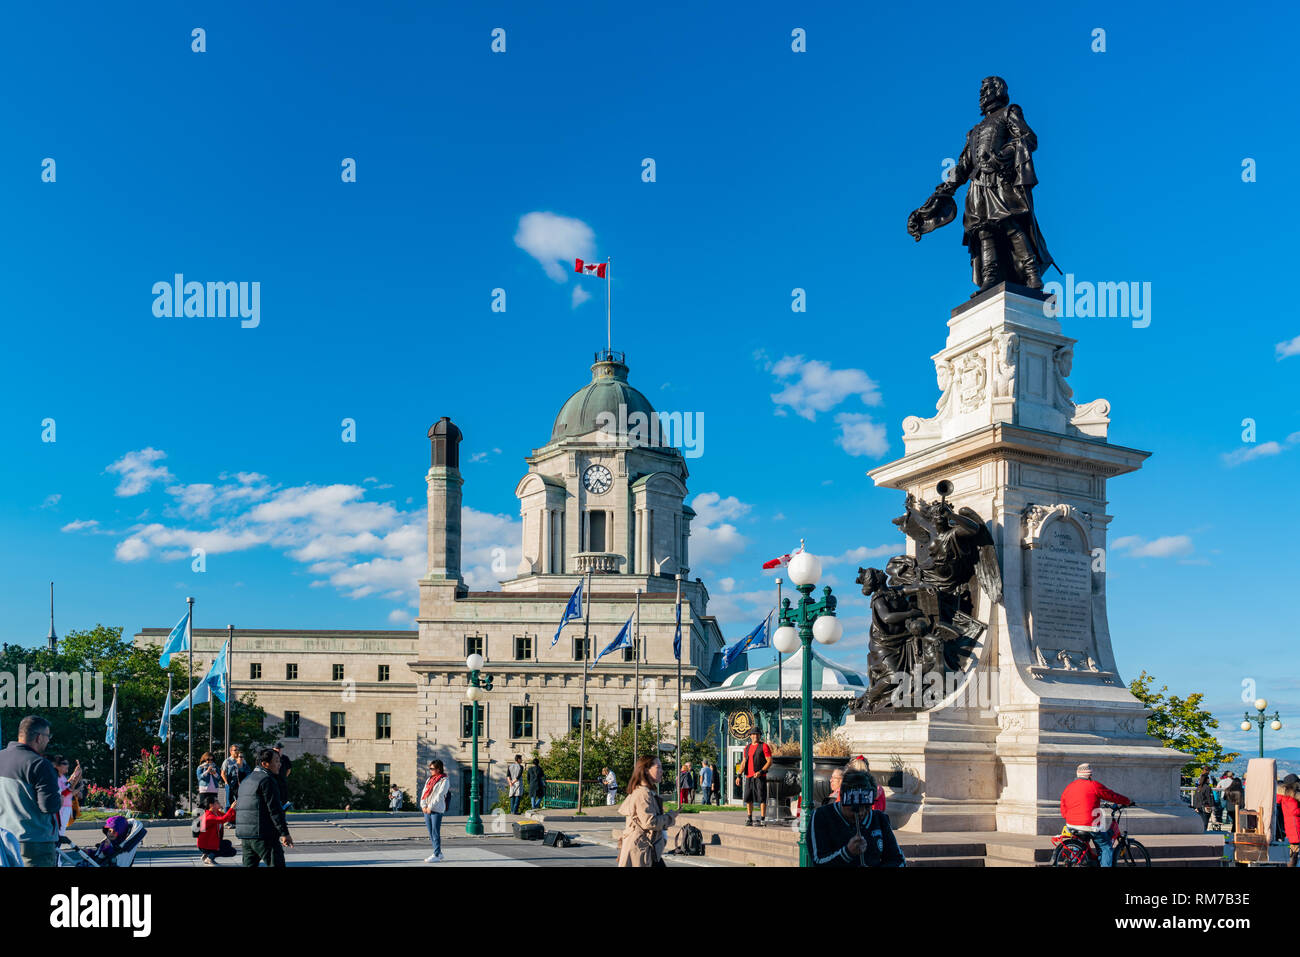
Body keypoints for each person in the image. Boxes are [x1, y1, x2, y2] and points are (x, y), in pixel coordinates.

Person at [0, 716, 68, 866]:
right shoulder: (39, 764)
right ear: (39, 737)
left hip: (4, 838)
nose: (48, 740)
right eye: (47, 736)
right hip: (34, 843)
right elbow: (49, 806)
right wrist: (60, 800)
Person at [809, 771, 905, 867]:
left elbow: (898, 860)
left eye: (867, 807)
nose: (861, 813)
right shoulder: (821, 816)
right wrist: (847, 852)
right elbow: (818, 861)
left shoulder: (879, 819)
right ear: (842, 797)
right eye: (854, 808)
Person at [1059, 763, 1132, 867]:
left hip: (1071, 824)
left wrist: (1070, 817)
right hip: (1089, 824)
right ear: (1090, 775)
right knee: (1106, 846)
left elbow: (1063, 806)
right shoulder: (1094, 785)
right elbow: (1112, 795)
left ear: (1078, 774)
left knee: (1081, 840)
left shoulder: (1069, 787)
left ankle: (1074, 858)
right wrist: (1127, 801)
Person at [235, 748, 294, 867]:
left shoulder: (247, 780)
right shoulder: (267, 780)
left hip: (246, 836)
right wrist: (284, 833)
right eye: (276, 761)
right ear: (265, 764)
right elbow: (274, 809)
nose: (280, 764)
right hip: (264, 834)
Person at [617, 756, 677, 867]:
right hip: (641, 850)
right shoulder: (643, 793)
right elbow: (650, 822)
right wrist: (670, 816)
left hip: (646, 848)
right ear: (646, 770)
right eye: (658, 767)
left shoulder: (645, 791)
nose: (661, 771)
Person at [419, 760, 450, 863]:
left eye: (432, 769)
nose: (430, 770)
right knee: (431, 833)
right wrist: (423, 805)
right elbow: (424, 792)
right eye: (430, 768)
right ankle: (439, 853)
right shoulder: (429, 779)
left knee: (435, 832)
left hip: (436, 809)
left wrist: (430, 807)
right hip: (427, 809)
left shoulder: (444, 780)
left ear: (438, 769)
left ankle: (436, 854)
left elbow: (440, 795)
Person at [741, 729, 772, 827]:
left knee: (762, 798)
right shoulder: (747, 748)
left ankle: (763, 819)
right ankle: (749, 818)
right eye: (753, 734)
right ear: (750, 736)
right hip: (749, 777)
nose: (755, 736)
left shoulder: (764, 746)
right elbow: (744, 762)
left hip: (760, 777)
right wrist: (738, 775)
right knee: (748, 798)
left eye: (757, 734)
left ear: (760, 735)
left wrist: (761, 771)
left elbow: (769, 761)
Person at [196, 793, 238, 865]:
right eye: (217, 802)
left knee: (228, 844)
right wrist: (231, 808)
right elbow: (223, 820)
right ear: (211, 805)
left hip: (211, 842)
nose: (219, 803)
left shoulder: (217, 813)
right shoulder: (208, 816)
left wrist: (233, 810)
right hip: (205, 844)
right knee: (231, 850)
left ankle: (207, 855)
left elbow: (229, 817)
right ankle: (209, 857)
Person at [52, 756, 82, 836]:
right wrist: (73, 785)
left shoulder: (62, 777)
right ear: (57, 766)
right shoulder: (56, 778)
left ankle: (56, 846)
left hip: (66, 806)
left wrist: (76, 774)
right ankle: (56, 847)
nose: (67, 765)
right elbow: (62, 792)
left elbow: (68, 787)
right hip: (61, 807)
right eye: (64, 763)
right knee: (60, 831)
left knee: (61, 830)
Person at [1276, 773, 1300, 869]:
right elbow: (1293, 811)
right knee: (1294, 850)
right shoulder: (1291, 796)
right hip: (1294, 825)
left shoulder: (1284, 795)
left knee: (1293, 850)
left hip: (1290, 824)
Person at [220, 746, 249, 810]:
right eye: (235, 750)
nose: (237, 751)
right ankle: (227, 818)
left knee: (240, 802)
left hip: (240, 785)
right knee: (229, 803)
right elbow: (222, 773)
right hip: (230, 785)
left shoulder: (242, 760)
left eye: (238, 750)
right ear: (231, 751)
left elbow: (246, 771)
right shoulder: (227, 761)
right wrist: (227, 783)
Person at [272, 744, 293, 811]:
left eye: (280, 749)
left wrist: (284, 776)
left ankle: (283, 809)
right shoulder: (271, 758)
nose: (278, 750)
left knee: (284, 796)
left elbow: (289, 769)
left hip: (282, 781)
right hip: (273, 780)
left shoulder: (285, 758)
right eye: (277, 749)